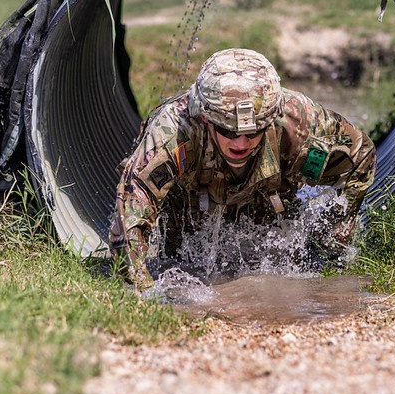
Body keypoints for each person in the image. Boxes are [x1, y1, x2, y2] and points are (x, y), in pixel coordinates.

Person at [109, 48, 376, 289]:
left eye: (254, 131)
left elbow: (360, 157)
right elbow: (132, 207)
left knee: (277, 264)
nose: (241, 143)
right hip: (189, 213)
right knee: (182, 266)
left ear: (270, 120)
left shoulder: (298, 121)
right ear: (205, 118)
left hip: (267, 206)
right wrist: (138, 289)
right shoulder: (174, 131)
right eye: (228, 130)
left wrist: (330, 244)